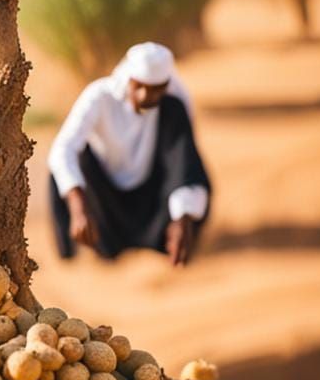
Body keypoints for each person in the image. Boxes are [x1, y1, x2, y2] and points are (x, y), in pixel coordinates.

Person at [48, 40, 211, 269]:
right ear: (129, 79)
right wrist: (79, 208)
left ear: (166, 86)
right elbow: (62, 150)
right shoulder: (99, 96)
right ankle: (75, 258)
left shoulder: (174, 104)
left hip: (151, 195)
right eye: (140, 86)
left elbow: (183, 164)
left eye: (156, 89)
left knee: (196, 176)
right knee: (72, 161)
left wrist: (182, 219)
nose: (146, 96)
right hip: (104, 197)